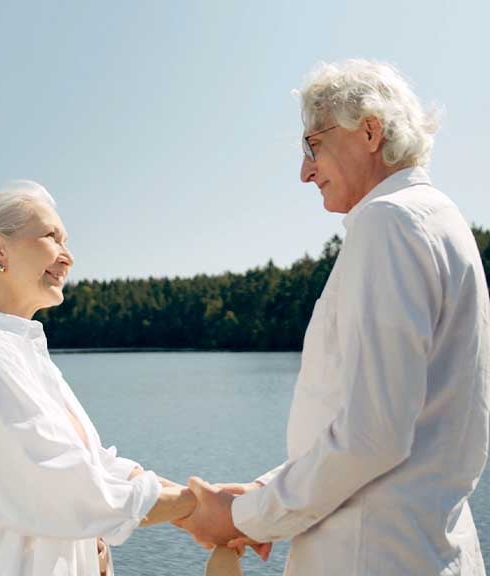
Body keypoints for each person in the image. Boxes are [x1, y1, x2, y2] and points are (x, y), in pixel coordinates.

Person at [178, 59, 490, 575]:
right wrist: (265, 492)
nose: (304, 170)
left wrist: (245, 516)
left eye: (312, 145)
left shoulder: (389, 223)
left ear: (369, 131)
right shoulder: (441, 221)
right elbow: (384, 421)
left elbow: (373, 435)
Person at [0, 182, 196, 576]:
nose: (69, 257)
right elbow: (71, 488)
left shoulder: (18, 352)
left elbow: (97, 466)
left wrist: (194, 499)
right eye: (52, 237)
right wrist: (199, 509)